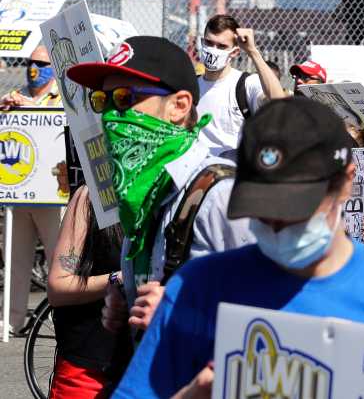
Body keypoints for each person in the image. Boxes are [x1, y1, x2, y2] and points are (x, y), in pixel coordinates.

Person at [108, 98, 364, 399]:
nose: (277, 225)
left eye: (296, 208)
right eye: (263, 209)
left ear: (346, 183)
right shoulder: (197, 287)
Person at [64, 36, 254, 345]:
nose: (111, 115)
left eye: (125, 99)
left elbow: (275, 308)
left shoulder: (221, 194)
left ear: (179, 106)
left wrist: (183, 312)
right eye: (103, 100)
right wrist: (127, 304)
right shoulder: (146, 197)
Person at [0, 42, 65, 334]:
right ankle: (12, 320)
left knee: (58, 259)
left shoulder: (61, 96)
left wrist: (33, 108)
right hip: (20, 190)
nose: (34, 69)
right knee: (15, 258)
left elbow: (63, 124)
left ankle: (61, 317)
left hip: (52, 194)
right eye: (29, 63)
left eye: (41, 63)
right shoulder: (17, 96)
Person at [47, 184, 123, 399]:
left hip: (147, 368)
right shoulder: (94, 195)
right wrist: (118, 278)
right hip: (88, 370)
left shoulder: (174, 191)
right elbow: (58, 286)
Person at [193, 14, 286, 157]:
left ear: (235, 52)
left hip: (231, 170)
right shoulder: (191, 85)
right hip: (195, 170)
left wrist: (252, 51)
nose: (213, 50)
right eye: (209, 43)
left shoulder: (245, 84)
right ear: (202, 42)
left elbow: (278, 102)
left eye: (222, 46)